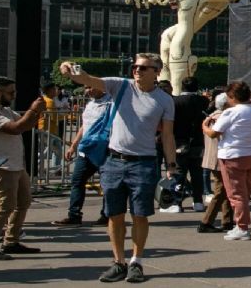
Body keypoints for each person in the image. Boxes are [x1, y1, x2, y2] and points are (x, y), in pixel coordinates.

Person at [60, 55, 177, 283]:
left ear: (157, 72)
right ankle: (118, 262)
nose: (137, 71)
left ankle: (136, 261)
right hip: (113, 161)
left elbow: (168, 135)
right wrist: (70, 69)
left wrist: (171, 166)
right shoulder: (119, 85)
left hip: (144, 162)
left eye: (144, 68)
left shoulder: (164, 100)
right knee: (115, 215)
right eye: (135, 66)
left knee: (140, 215)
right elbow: (87, 79)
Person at [0, 77, 44, 260]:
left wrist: (34, 113)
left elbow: (26, 124)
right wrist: (33, 110)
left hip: (14, 164)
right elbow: (16, 128)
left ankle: (11, 241)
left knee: (23, 202)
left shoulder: (3, 108)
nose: (14, 96)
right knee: (5, 206)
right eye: (11, 92)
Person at [203, 82, 251, 241]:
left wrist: (204, 125)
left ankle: (242, 227)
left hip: (233, 155)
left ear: (232, 97)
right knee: (245, 192)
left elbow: (213, 133)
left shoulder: (230, 113)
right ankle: (241, 225)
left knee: (236, 194)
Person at [52, 84, 111, 226]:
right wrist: (73, 145)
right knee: (77, 181)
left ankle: (107, 215)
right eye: (86, 87)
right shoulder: (90, 104)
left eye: (91, 86)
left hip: (105, 149)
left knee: (107, 184)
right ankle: (74, 215)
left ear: (102, 87)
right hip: (86, 149)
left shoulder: (111, 103)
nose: (88, 90)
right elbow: (85, 125)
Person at [166, 76, 208, 213]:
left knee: (179, 172)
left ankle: (177, 202)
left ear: (181, 86)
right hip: (198, 141)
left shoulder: (175, 101)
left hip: (179, 141)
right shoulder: (204, 101)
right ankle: (198, 201)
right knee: (197, 173)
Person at [197, 93, 233, 234]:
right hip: (220, 158)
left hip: (213, 157)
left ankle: (227, 220)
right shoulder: (222, 117)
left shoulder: (212, 116)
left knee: (224, 190)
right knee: (221, 190)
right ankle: (206, 221)